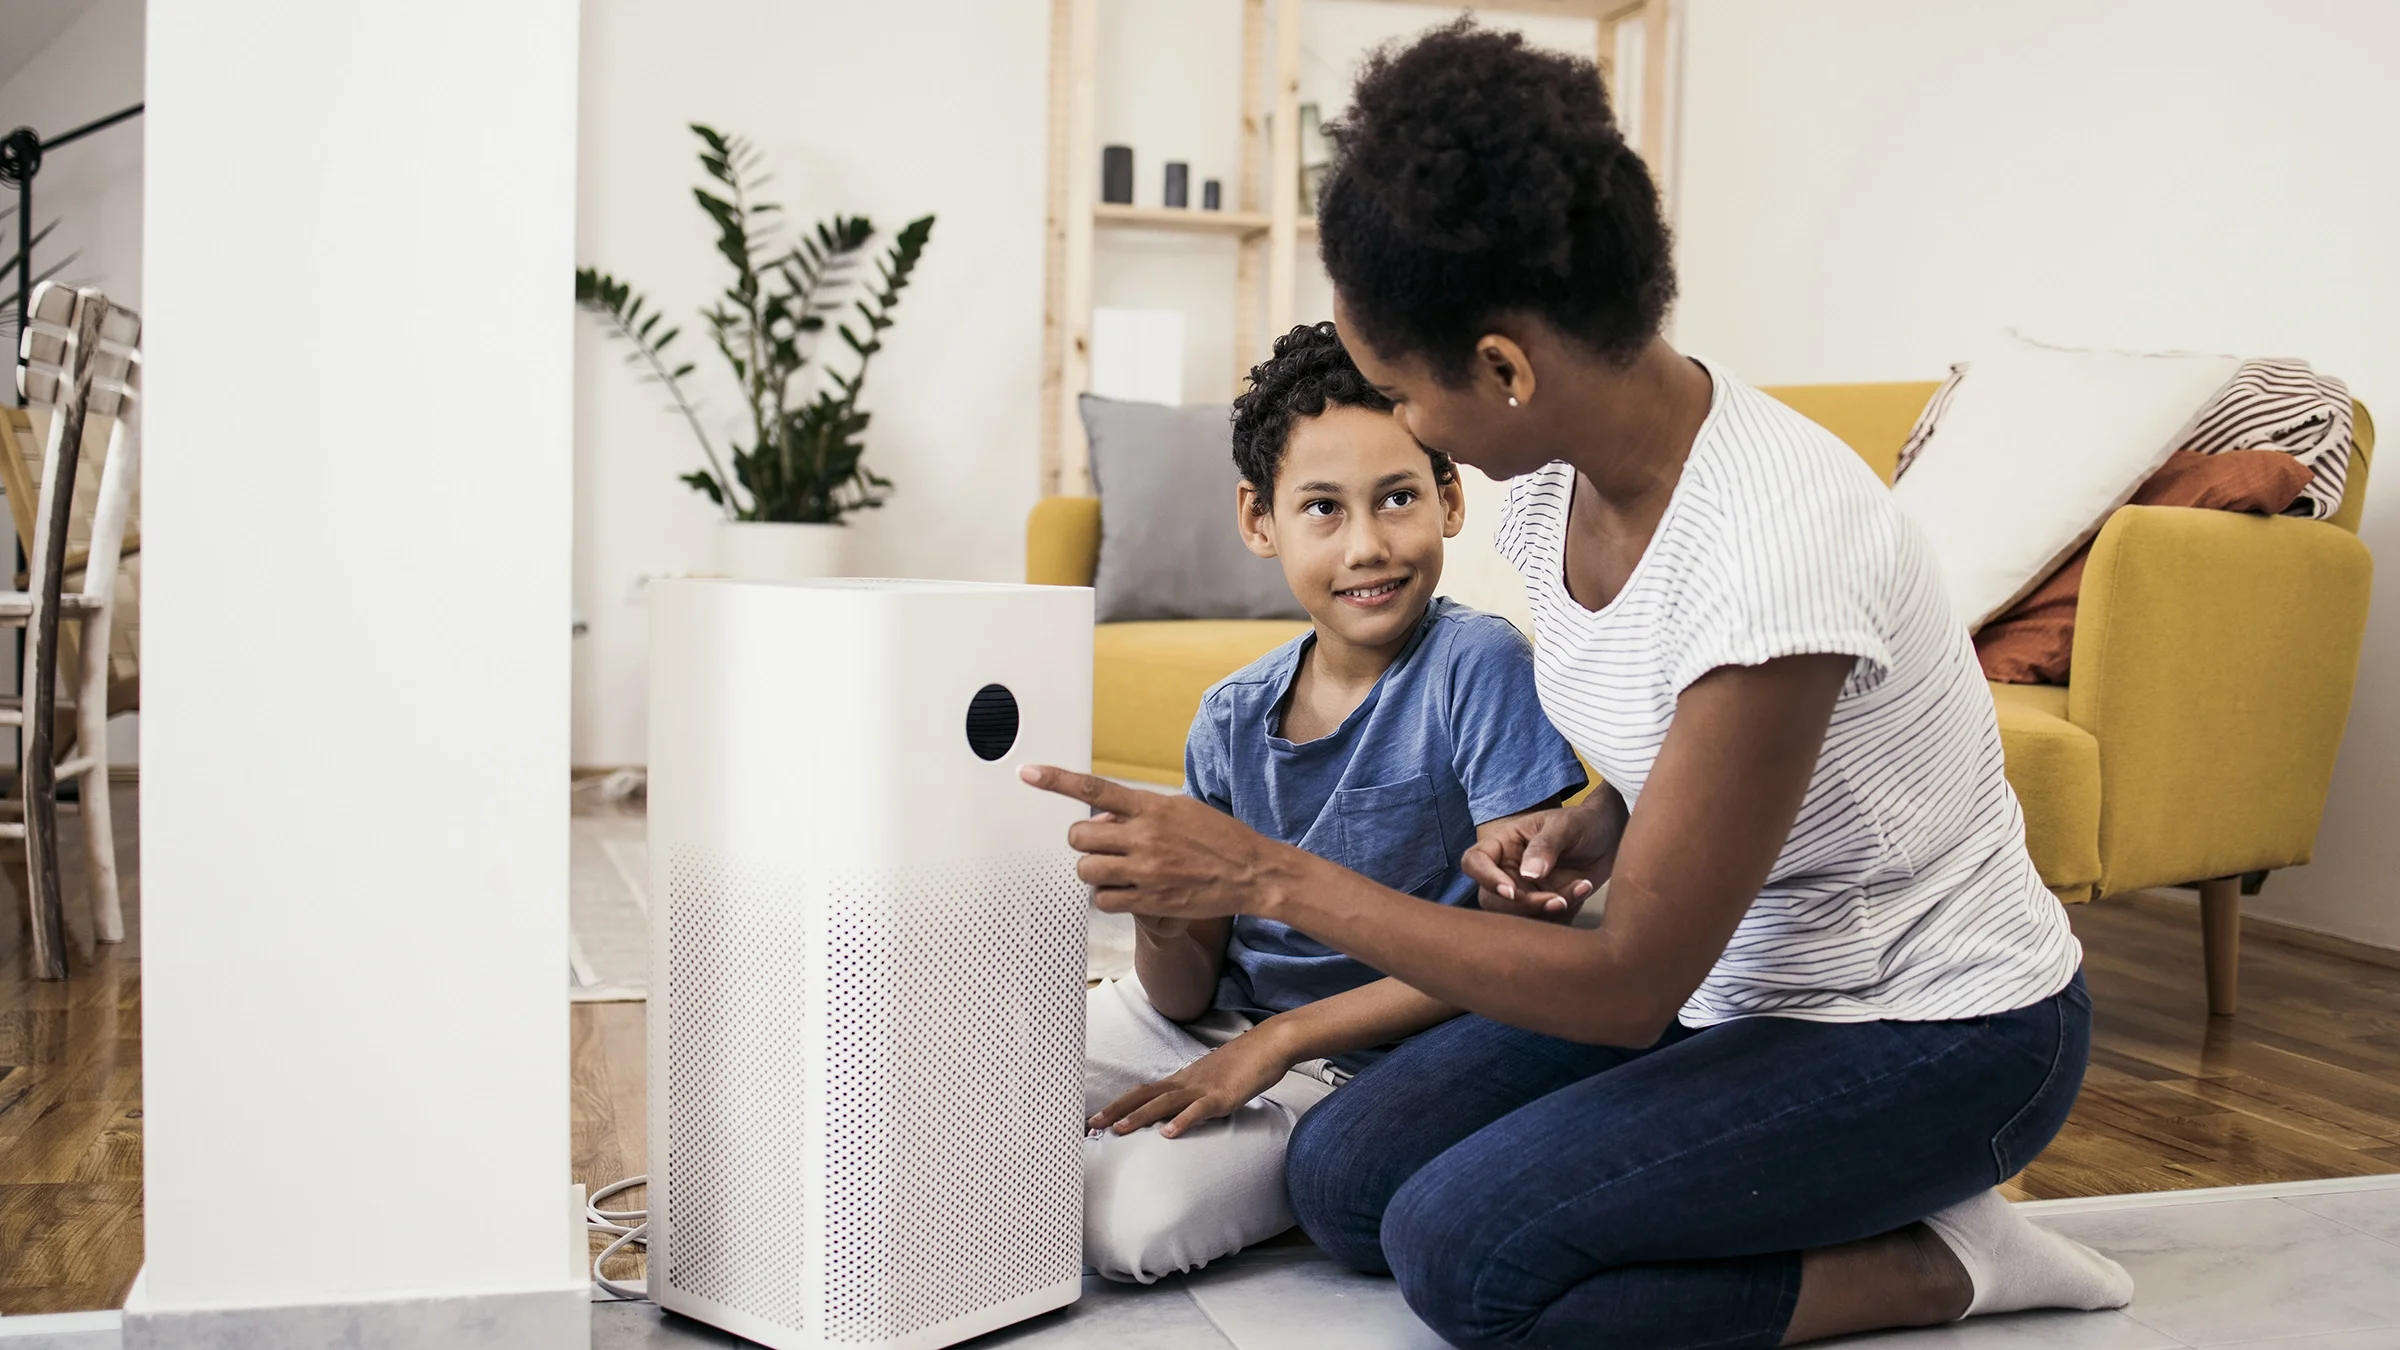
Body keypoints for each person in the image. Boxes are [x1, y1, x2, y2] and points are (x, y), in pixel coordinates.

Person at [1026, 20, 2133, 1349]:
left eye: (1402, 393)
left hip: (1936, 1034)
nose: (1408, 430)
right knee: (1346, 1180)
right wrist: (1599, 818)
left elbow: (1623, 981)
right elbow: (1692, 760)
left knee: (1469, 1259)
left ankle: (1951, 1260)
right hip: (1730, 992)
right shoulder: (1552, 481)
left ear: (1503, 367)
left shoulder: (1778, 549)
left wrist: (1267, 875)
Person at [1078, 320, 1587, 1285]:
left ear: (1448, 500)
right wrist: (1161, 919)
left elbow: (1523, 958)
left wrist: (1279, 1042)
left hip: (1365, 1055)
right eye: (1322, 508)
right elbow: (1186, 994)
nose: (1367, 545)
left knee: (1127, 1228)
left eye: (1397, 499)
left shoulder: (1476, 667)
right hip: (1218, 1021)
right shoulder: (1229, 717)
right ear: (1258, 519)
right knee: (967, 1070)